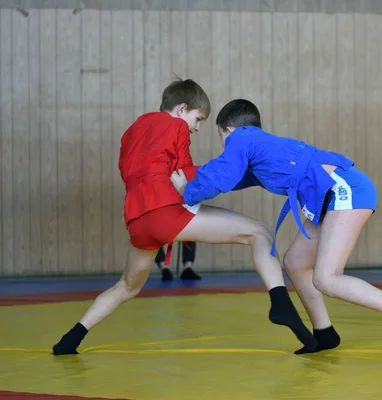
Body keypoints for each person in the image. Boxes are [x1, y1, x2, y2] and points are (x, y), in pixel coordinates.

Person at [52, 80, 317, 355]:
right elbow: (185, 175)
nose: (197, 127)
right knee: (259, 232)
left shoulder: (132, 131)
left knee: (127, 286)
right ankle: (281, 303)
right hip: (165, 212)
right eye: (198, 119)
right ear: (182, 109)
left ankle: (70, 339)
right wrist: (240, 169)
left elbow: (132, 171)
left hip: (137, 219)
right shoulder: (177, 126)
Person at [170, 99, 382, 354]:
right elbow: (229, 176)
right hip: (327, 195)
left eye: (219, 135)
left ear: (227, 129)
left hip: (344, 189)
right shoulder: (259, 147)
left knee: (327, 278)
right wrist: (190, 176)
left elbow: (222, 175)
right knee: (295, 262)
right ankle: (324, 333)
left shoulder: (241, 138)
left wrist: (186, 191)